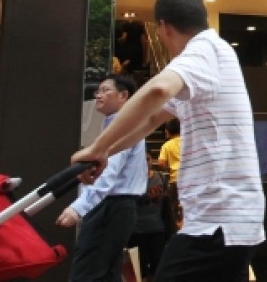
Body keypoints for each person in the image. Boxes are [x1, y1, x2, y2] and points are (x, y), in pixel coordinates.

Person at [71, 0, 264, 282]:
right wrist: (104, 155)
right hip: (228, 218)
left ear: (164, 27)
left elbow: (159, 89)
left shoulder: (204, 49)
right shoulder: (211, 57)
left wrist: (97, 146)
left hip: (218, 219)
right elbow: (150, 119)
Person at [56, 74, 147, 282]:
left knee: (88, 272)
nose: (99, 95)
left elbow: (108, 175)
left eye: (106, 90)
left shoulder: (123, 126)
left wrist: (78, 208)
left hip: (111, 207)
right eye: (98, 91)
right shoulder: (117, 124)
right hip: (116, 207)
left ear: (124, 96)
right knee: (105, 273)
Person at [128, 152, 167, 282]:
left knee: (158, 264)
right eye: (142, 160)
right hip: (137, 229)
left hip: (157, 228)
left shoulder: (160, 177)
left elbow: (165, 203)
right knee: (139, 268)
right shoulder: (131, 181)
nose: (145, 163)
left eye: (148, 159)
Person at [156, 118, 182, 234]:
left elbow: (161, 163)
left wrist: (169, 167)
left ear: (168, 131)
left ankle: (174, 228)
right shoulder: (188, 141)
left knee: (171, 206)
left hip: (175, 178)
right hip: (191, 177)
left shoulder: (167, 145)